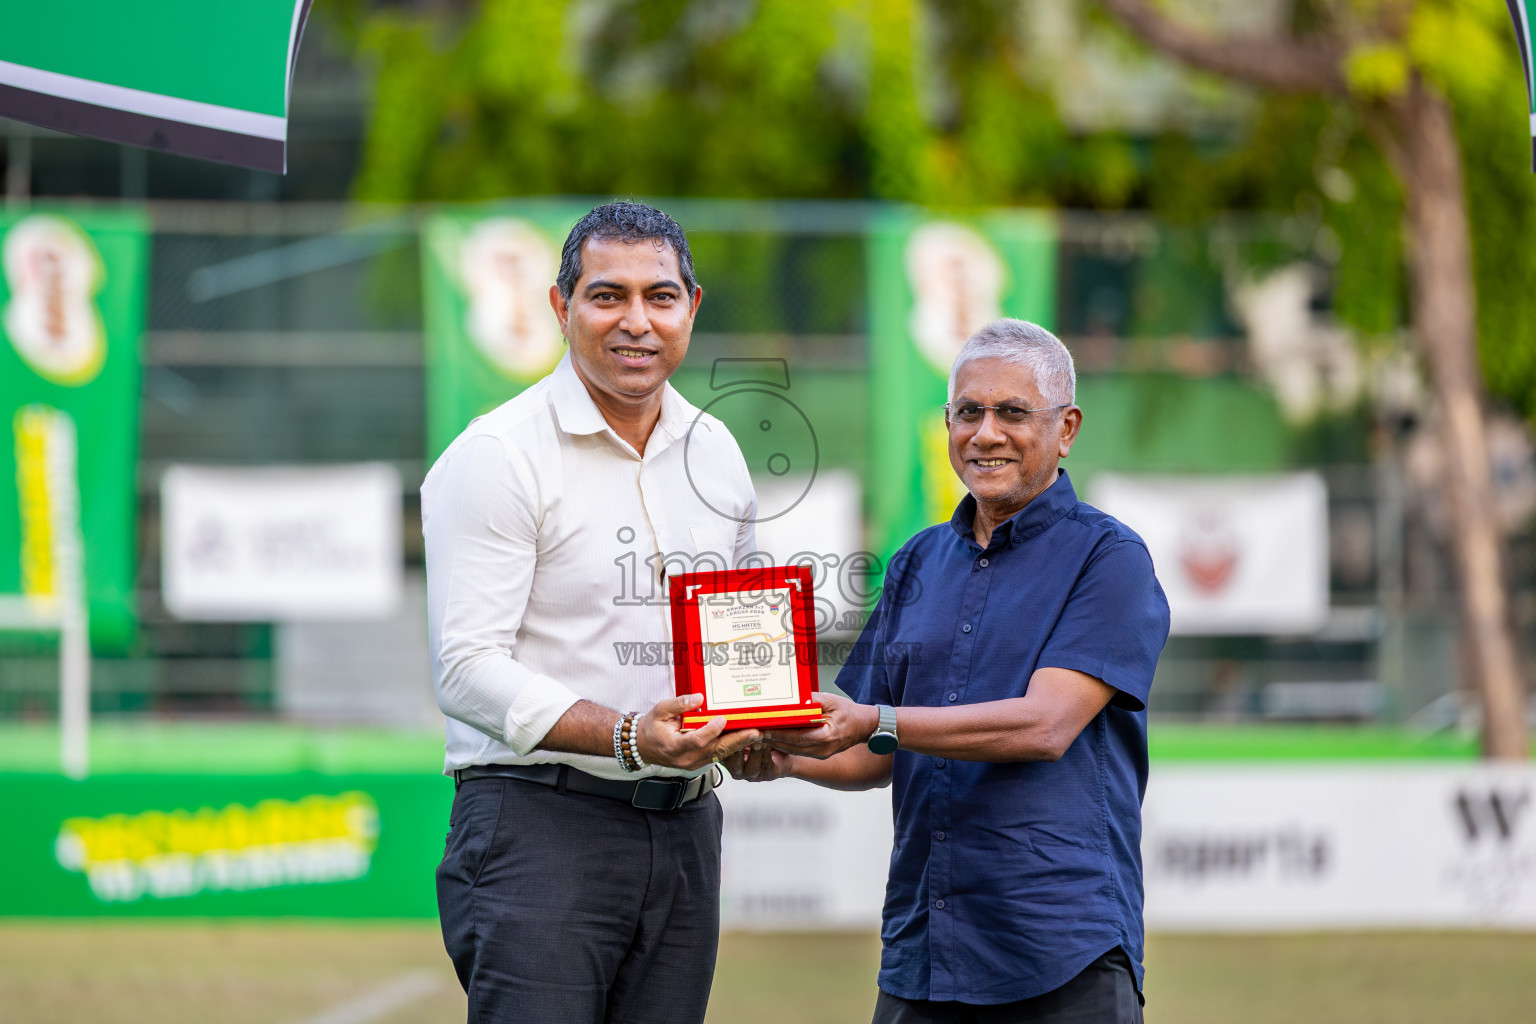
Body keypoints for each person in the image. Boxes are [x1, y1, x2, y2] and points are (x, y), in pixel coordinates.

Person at [731, 318, 1170, 1023]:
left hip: (1061, 949)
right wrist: (781, 755)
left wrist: (875, 721)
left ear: (1066, 429)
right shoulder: (916, 561)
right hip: (925, 949)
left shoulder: (1110, 558)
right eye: (968, 412)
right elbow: (872, 749)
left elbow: (1046, 726)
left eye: (1012, 412)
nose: (985, 433)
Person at [423, 201, 760, 1024]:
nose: (636, 321)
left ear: (691, 307)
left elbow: (738, 632)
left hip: (686, 828)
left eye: (660, 296)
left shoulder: (716, 451)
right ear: (560, 306)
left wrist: (763, 717)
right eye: (608, 295)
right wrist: (627, 735)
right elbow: (465, 669)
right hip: (540, 825)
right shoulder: (500, 455)